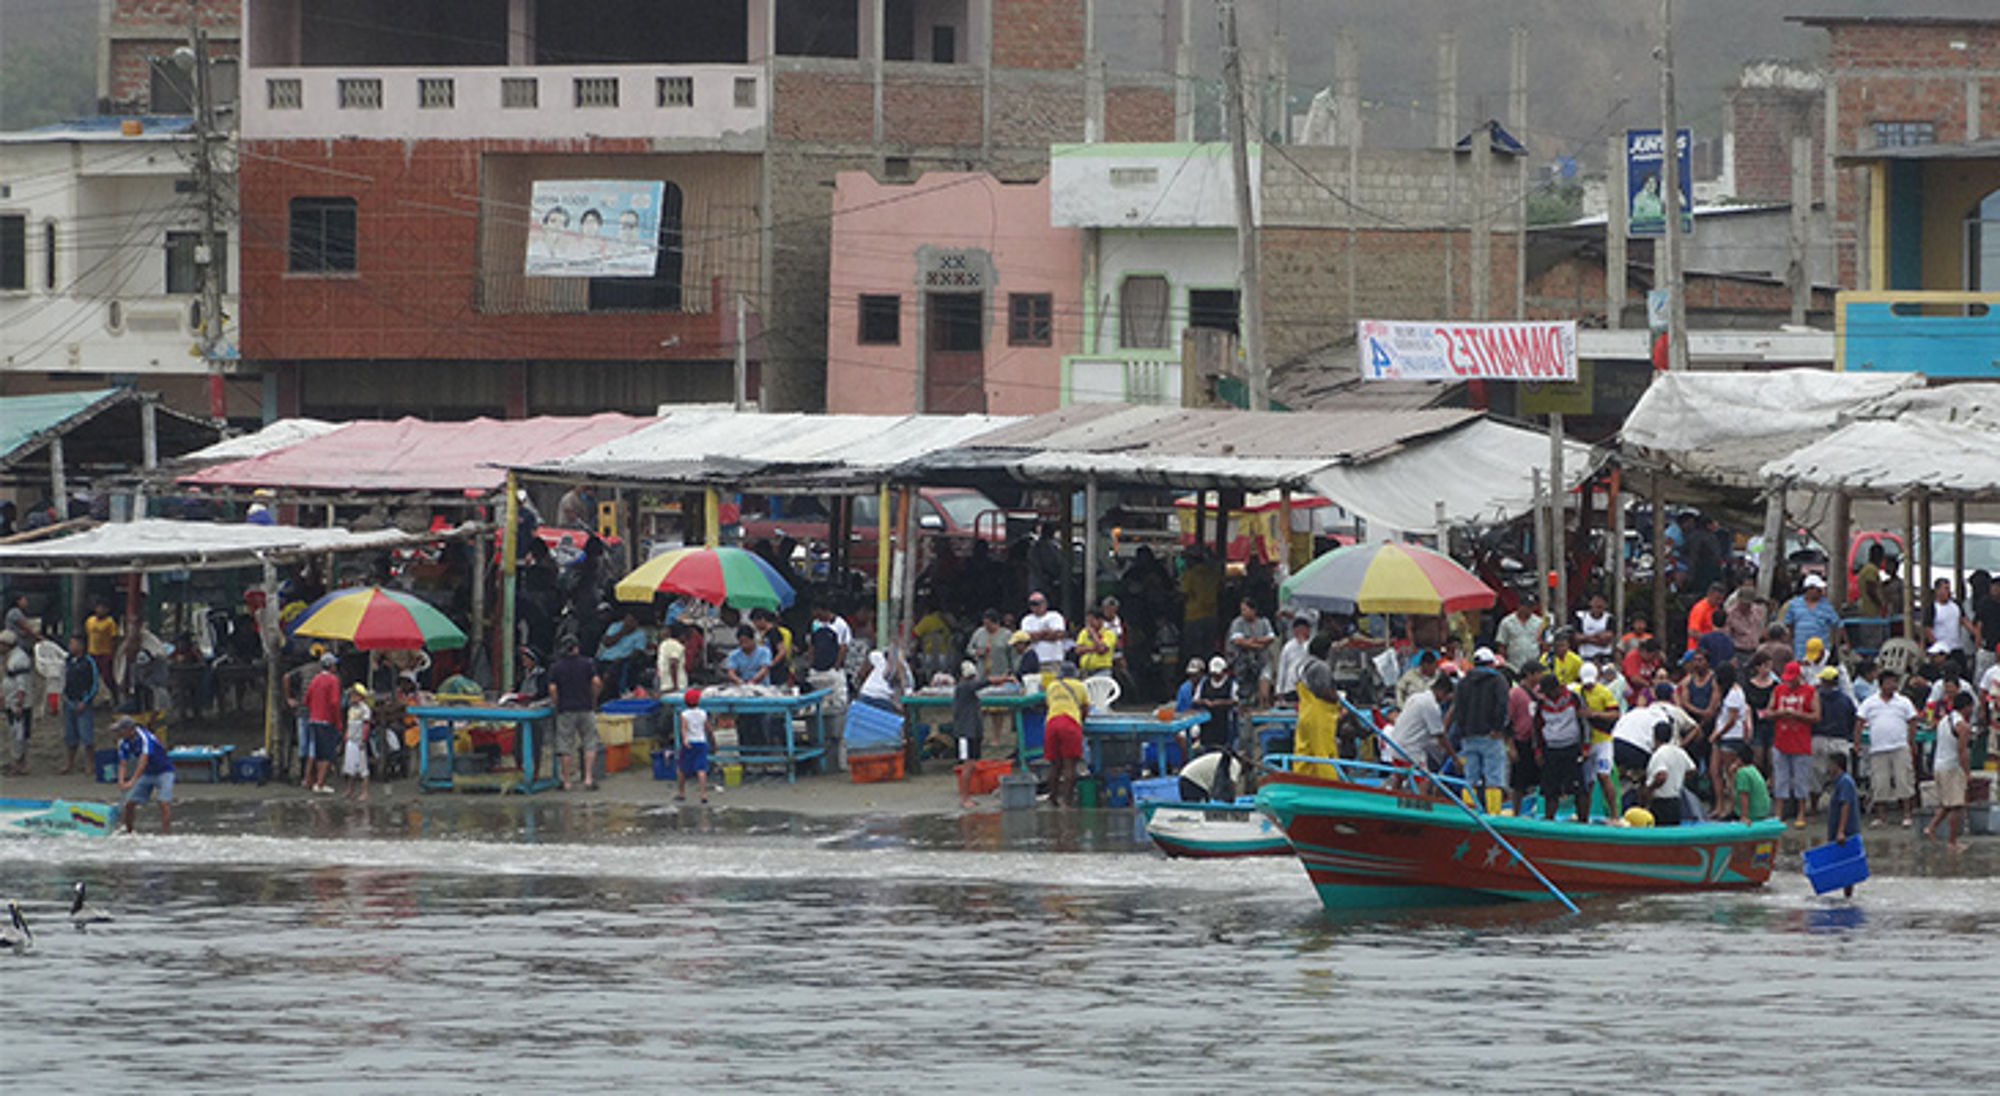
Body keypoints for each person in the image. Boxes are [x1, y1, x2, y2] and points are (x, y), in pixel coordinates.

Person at [1453, 648, 1512, 814]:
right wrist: (1497, 727)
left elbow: (1458, 709)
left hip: (1469, 736)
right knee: (1494, 778)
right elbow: (1502, 706)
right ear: (1492, 663)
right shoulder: (1498, 680)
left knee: (1470, 778)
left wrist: (1463, 730)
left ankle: (1469, 812)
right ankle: (1493, 814)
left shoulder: (1463, 682)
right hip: (1491, 736)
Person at [1764, 660, 1820, 828]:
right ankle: (1779, 813)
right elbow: (1768, 711)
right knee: (1780, 778)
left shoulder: (1810, 692)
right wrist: (1779, 713)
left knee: (1801, 780)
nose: (1788, 682)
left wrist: (1797, 715)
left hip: (1801, 742)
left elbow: (1816, 716)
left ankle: (1801, 812)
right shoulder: (1778, 689)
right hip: (1781, 740)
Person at [547, 636, 602, 792]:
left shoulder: (556, 667)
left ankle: (567, 782)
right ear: (577, 648)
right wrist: (594, 699)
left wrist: (557, 702)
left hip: (566, 710)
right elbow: (596, 683)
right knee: (589, 742)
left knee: (565, 745)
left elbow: (552, 689)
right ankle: (588, 779)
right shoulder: (588, 664)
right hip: (586, 707)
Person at [1532, 670, 1586, 822]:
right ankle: (1550, 820)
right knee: (1550, 790)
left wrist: (1585, 746)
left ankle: (1583, 821)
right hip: (1551, 750)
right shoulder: (1541, 704)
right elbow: (1536, 728)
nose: (1547, 695)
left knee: (1578, 789)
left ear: (1557, 688)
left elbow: (1584, 722)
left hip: (1572, 747)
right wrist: (1537, 751)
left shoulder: (1574, 699)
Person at [1924, 691, 1973, 853]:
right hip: (1952, 767)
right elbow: (1962, 751)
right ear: (1967, 707)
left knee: (1947, 803)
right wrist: (1967, 772)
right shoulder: (1962, 726)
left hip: (1939, 764)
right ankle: (1952, 842)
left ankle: (1931, 827)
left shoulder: (1944, 720)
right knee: (1956, 806)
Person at [1386, 675, 1454, 791]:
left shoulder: (1416, 697)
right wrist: (1454, 757)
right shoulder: (1431, 705)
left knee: (1400, 776)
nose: (1445, 700)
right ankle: (1421, 806)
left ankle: (1392, 803)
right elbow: (1440, 734)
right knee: (1425, 780)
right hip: (1410, 750)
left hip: (1395, 745)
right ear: (1441, 692)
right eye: (1447, 696)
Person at [1291, 635, 1341, 779]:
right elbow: (1324, 691)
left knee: (1304, 752)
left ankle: (1300, 781)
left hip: (1305, 713)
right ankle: (1330, 785)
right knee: (1324, 752)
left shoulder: (1302, 664)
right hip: (1320, 716)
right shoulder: (1321, 666)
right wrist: (1338, 697)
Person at [113, 716, 174, 834]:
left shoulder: (145, 738)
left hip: (164, 771)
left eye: (121, 730)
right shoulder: (123, 742)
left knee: (164, 802)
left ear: (130, 729)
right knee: (129, 804)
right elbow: (123, 763)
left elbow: (143, 760)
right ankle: (129, 831)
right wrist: (121, 781)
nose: (119, 733)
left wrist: (132, 781)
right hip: (147, 773)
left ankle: (166, 834)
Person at [1810, 665, 1857, 813]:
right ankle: (1843, 806)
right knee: (1841, 776)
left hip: (1818, 738)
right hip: (1840, 740)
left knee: (1816, 776)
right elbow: (1852, 721)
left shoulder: (1815, 697)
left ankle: (1813, 807)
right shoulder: (1845, 700)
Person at [1042, 662, 1089, 809]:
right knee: (1070, 765)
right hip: (1069, 724)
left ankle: (1053, 798)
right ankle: (1067, 802)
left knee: (1055, 764)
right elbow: (1085, 708)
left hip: (1052, 723)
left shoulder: (1052, 686)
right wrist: (1081, 721)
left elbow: (1049, 705)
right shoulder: (1080, 686)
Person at [1707, 662, 1750, 818]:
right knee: (1714, 770)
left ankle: (1732, 806)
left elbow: (1731, 719)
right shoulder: (1724, 692)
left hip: (1731, 735)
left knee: (1729, 773)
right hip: (1720, 734)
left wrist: (1717, 734)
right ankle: (1719, 805)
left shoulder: (1735, 693)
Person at [56, 635, 98, 776]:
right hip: (69, 701)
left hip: (83, 702)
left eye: (72, 643)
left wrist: (85, 701)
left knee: (87, 736)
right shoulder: (67, 661)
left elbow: (94, 683)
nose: (70, 646)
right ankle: (69, 763)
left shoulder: (88, 662)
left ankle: (89, 763)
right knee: (70, 735)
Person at [1508, 662, 1545, 813]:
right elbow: (1508, 721)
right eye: (1538, 673)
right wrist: (1511, 747)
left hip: (1538, 741)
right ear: (1530, 674)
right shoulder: (1515, 693)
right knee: (1519, 783)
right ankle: (1515, 811)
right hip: (1521, 740)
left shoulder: (1540, 691)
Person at [303, 652, 342, 794]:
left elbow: (306, 699)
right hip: (326, 720)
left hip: (313, 719)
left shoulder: (315, 679)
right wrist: (337, 722)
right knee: (327, 753)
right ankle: (320, 783)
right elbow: (334, 702)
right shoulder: (333, 680)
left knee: (317, 752)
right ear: (331, 665)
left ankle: (314, 781)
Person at [1823, 752, 1861, 896]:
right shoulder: (1838, 782)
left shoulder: (1845, 782)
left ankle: (1848, 894)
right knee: (1842, 863)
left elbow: (1846, 805)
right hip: (1840, 829)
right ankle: (1846, 894)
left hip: (1847, 831)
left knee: (1846, 864)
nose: (1827, 767)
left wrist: (1841, 831)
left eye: (1830, 764)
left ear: (1836, 765)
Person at [1225, 599, 1276, 706]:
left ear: (1253, 610)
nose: (1243, 612)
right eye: (1242, 610)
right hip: (1244, 665)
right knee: (1244, 696)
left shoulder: (1264, 622)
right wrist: (1258, 644)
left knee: (1264, 694)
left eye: (1245, 610)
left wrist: (1252, 640)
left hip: (1262, 661)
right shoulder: (1237, 623)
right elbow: (1238, 640)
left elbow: (1271, 638)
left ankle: (1263, 714)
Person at [1644, 722, 1696, 826]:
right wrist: (1679, 777)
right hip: (1676, 800)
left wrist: (1650, 788)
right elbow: (1692, 770)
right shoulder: (1679, 751)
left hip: (1661, 802)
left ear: (1655, 736)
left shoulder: (1659, 754)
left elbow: (1661, 776)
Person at [949, 663, 985, 808]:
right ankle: (964, 798)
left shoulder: (967, 689)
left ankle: (967, 796)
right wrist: (1004, 679)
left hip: (973, 731)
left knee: (972, 763)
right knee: (967, 765)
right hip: (965, 732)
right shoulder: (964, 687)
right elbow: (984, 683)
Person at [1782, 575, 1841, 662]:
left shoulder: (1826, 606)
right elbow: (1789, 625)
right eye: (1818, 590)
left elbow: (1837, 624)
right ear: (1809, 589)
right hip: (1800, 651)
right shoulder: (1794, 605)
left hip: (1821, 653)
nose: (1821, 592)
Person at [1178, 547, 1223, 660]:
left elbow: (1184, 594)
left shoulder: (1190, 574)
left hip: (1194, 616)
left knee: (1193, 651)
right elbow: (1220, 590)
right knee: (1208, 649)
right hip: (1212, 615)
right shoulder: (1213, 573)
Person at [0, 631, 32, 777]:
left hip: (19, 704)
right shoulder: (11, 658)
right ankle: (18, 762)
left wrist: (19, 703)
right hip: (11, 700)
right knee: (15, 733)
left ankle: (20, 763)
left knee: (19, 734)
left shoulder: (19, 659)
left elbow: (22, 684)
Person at [1192, 655, 1239, 753]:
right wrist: (1205, 702)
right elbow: (1196, 699)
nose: (1215, 676)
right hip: (1208, 723)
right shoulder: (1204, 683)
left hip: (1224, 721)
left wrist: (1220, 702)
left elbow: (1235, 700)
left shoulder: (1231, 684)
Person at [1021, 592, 1068, 686]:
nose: (1036, 607)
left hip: (1053, 659)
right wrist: (1046, 632)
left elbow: (1057, 635)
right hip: (1034, 662)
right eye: (1033, 605)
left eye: (1038, 604)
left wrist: (1037, 635)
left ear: (1045, 604)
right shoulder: (1027, 619)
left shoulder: (1055, 616)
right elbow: (1026, 638)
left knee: (1053, 686)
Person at [676, 687, 711, 804]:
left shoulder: (684, 714)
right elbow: (708, 729)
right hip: (701, 742)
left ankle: (681, 792)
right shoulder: (703, 713)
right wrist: (713, 741)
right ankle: (703, 794)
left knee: (682, 768)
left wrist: (684, 740)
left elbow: (684, 728)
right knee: (701, 769)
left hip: (690, 742)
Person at [1494, 595, 1547, 672]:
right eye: (1527, 606)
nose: (1529, 609)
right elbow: (1501, 645)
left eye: (1531, 607)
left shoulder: (1539, 623)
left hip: (1533, 668)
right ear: (1520, 606)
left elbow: (1543, 644)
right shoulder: (1507, 622)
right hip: (1512, 666)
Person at [1177, 748, 1248, 803]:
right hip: (1193, 781)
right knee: (1198, 813)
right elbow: (1232, 785)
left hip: (1184, 777)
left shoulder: (1224, 759)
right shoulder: (1235, 764)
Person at [85, 601, 121, 705]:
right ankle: (90, 699)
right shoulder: (90, 621)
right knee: (91, 677)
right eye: (99, 608)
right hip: (92, 653)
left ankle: (115, 697)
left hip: (105, 653)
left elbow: (114, 638)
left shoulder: (110, 622)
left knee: (108, 677)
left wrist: (113, 653)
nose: (100, 610)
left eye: (103, 608)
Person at [1727, 746, 1772, 823]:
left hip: (1752, 813)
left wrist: (1744, 816)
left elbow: (1744, 795)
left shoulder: (1742, 773)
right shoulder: (1753, 769)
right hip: (1762, 811)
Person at [343, 684, 372, 802]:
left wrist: (363, 739)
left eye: (354, 695)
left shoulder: (365, 709)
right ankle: (350, 789)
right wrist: (346, 736)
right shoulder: (351, 708)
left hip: (359, 740)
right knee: (349, 767)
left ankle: (365, 792)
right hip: (351, 739)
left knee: (362, 767)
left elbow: (366, 725)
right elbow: (349, 724)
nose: (352, 697)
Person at [1274, 615, 1314, 700]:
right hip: (1290, 687)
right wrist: (1279, 689)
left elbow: (1310, 656)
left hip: (1307, 686)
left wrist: (1303, 642)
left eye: (1304, 630)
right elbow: (1282, 667)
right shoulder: (1288, 647)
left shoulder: (1311, 645)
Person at [1927, 577, 1967, 655]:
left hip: (1956, 647)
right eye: (1945, 589)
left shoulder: (1956, 605)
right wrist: (1938, 646)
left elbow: (1964, 620)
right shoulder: (1933, 608)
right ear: (1937, 590)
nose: (1948, 592)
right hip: (1941, 649)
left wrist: (1976, 633)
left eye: (1949, 589)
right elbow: (1928, 630)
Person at [1075, 608, 1117, 679]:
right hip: (1086, 670)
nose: (1089, 624)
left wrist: (1093, 635)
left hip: (1102, 670)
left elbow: (1101, 650)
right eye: (1088, 621)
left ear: (1100, 620)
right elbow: (1078, 650)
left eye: (1091, 621)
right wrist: (1094, 648)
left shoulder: (1109, 634)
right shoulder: (1084, 633)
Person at [1685, 583, 1725, 652]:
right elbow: (1692, 632)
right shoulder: (1700, 609)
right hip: (1697, 650)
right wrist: (1710, 639)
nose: (1719, 602)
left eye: (1721, 599)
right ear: (1709, 595)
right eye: (1717, 599)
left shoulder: (1716, 608)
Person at [1575, 594, 1614, 661]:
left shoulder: (1609, 618)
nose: (1597, 604)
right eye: (1595, 602)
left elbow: (1605, 641)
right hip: (1585, 656)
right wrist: (1596, 637)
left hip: (1604, 656)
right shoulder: (1581, 617)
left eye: (1600, 605)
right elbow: (1577, 638)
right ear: (1590, 603)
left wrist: (1586, 638)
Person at [1856, 544, 1888, 618]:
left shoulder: (1866, 568)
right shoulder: (1871, 570)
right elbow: (1870, 589)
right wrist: (1881, 605)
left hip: (1866, 608)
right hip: (1871, 611)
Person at [656, 622, 689, 695]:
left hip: (664, 684)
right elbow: (673, 664)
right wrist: (675, 686)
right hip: (676, 686)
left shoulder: (664, 644)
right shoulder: (677, 646)